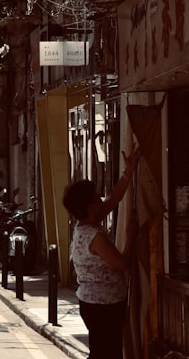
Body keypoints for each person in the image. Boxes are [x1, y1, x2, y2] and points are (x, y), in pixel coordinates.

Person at [61, 148, 139, 359]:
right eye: (96, 197)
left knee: (103, 351)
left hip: (94, 304)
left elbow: (114, 200)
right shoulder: (95, 236)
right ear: (90, 207)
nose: (100, 199)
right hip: (104, 306)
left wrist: (129, 172)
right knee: (108, 353)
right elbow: (122, 263)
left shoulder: (84, 225)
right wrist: (131, 236)